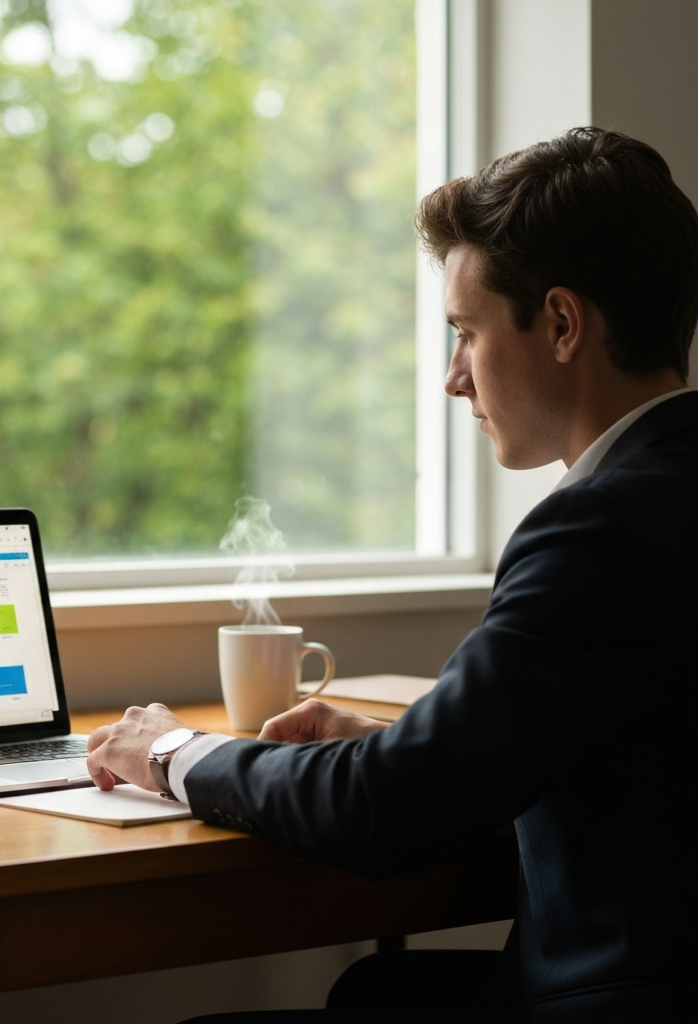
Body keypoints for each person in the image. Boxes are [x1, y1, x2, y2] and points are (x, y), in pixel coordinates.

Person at [85, 127, 698, 1023]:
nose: (455, 377)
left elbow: (387, 813)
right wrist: (417, 738)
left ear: (562, 325)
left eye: (466, 332)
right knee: (375, 988)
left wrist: (175, 752)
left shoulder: (600, 527)